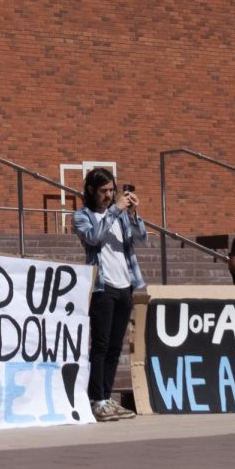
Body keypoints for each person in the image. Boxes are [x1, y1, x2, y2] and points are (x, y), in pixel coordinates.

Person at [73, 167, 146, 422]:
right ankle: (96, 399)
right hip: (102, 287)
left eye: (112, 190)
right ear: (91, 190)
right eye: (103, 191)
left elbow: (142, 238)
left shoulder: (122, 215)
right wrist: (115, 209)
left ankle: (106, 395)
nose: (108, 195)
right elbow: (93, 238)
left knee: (116, 346)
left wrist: (134, 214)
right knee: (101, 345)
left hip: (125, 284)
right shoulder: (82, 216)